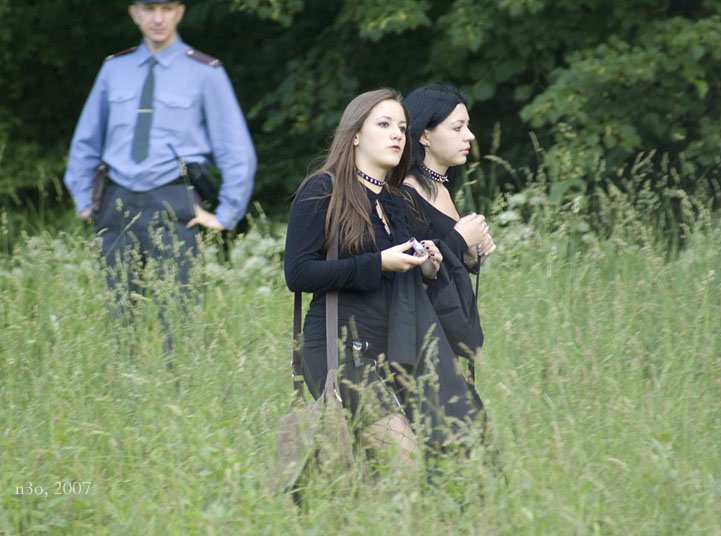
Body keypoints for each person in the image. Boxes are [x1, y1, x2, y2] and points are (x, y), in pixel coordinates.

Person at [284, 89, 480, 458]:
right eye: (385, 124)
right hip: (336, 348)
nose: (396, 135)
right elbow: (298, 273)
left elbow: (399, 283)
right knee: (405, 457)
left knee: (416, 462)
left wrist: (426, 268)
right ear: (356, 134)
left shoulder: (394, 201)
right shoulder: (323, 189)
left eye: (402, 128)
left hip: (391, 349)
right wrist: (378, 263)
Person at [63, 0, 257, 352]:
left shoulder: (205, 72)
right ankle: (124, 381)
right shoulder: (113, 70)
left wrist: (227, 213)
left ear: (179, 12)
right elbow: (85, 141)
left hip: (174, 200)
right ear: (134, 13)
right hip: (116, 200)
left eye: (166, 8)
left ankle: (179, 384)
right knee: (119, 315)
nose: (157, 18)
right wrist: (82, 198)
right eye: (149, 8)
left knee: (180, 315)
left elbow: (236, 148)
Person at [402, 84, 496, 415]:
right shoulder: (405, 194)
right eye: (457, 128)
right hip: (422, 345)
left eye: (467, 126)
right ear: (425, 136)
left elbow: (444, 258)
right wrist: (458, 239)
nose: (469, 136)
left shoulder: (441, 187)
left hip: (447, 337)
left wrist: (470, 256)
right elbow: (410, 272)